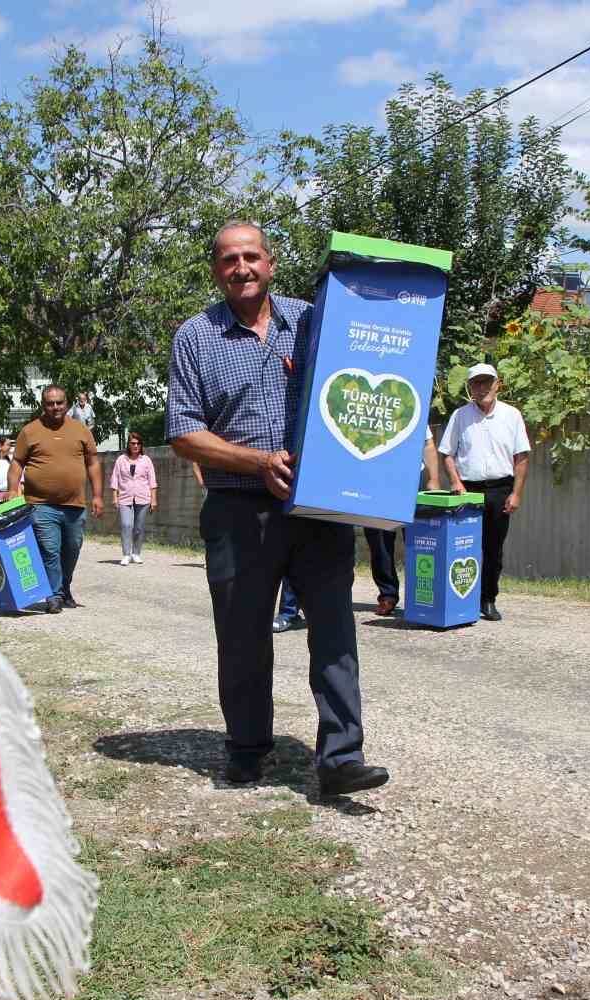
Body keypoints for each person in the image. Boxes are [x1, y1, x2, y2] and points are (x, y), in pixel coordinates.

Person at [167, 220, 388, 797]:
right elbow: (185, 433)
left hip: (318, 511)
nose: (241, 268)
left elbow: (364, 384)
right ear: (216, 270)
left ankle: (341, 755)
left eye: (251, 257)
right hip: (238, 511)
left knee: (335, 629)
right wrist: (258, 462)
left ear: (271, 262)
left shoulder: (318, 321)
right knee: (242, 637)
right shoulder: (195, 337)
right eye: (228, 260)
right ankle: (246, 747)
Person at [439, 362, 531, 622]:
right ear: (469, 388)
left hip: (500, 489)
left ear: (497, 384)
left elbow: (521, 456)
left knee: (493, 549)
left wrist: (516, 494)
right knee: (463, 547)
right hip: (468, 491)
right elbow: (446, 453)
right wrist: (456, 482)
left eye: (486, 382)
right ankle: (462, 599)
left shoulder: (512, 415)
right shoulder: (460, 416)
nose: (482, 388)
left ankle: (488, 599)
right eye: (476, 383)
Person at [10, 384, 103, 613]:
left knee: (72, 549)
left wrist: (98, 496)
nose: (55, 407)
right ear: (43, 405)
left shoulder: (81, 431)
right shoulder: (30, 431)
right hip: (40, 504)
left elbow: (93, 463)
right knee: (50, 550)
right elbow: (17, 463)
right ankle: (53, 595)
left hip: (74, 504)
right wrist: (13, 490)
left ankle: (64, 588)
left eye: (59, 402)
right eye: (50, 403)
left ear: (67, 404)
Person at [366, 431, 442, 616]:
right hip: (375, 480)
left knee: (419, 542)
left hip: (409, 480)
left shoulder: (411, 403)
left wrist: (434, 479)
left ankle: (421, 596)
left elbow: (428, 443)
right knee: (379, 541)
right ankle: (388, 595)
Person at [109, 431, 158, 565]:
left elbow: (152, 481)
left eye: (138, 443)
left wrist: (153, 500)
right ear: (129, 445)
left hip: (143, 498)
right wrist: (115, 497)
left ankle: (136, 553)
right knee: (126, 525)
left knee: (139, 527)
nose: (136, 446)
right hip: (125, 497)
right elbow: (115, 479)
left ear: (141, 445)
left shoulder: (146, 460)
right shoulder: (121, 460)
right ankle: (126, 554)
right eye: (133, 443)